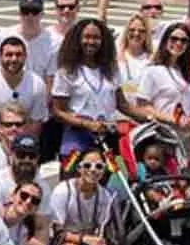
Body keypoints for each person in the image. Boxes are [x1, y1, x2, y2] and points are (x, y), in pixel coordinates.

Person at [50, 18, 142, 159]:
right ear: (77, 39)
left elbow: (123, 105)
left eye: (96, 38)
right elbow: (57, 111)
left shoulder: (111, 69)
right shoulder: (67, 71)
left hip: (107, 136)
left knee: (114, 172)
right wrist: (86, 124)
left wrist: (148, 118)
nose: (91, 41)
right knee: (75, 173)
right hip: (77, 138)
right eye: (86, 37)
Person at [49, 148, 131, 245]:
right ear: (79, 168)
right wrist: (83, 239)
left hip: (90, 241)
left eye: (99, 166)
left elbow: (103, 229)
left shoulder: (105, 195)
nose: (93, 170)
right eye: (87, 165)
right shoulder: (63, 191)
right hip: (65, 241)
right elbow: (56, 231)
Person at [135, 23, 190, 153]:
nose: (178, 43)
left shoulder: (189, 73)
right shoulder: (152, 71)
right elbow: (142, 106)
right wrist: (172, 119)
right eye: (174, 39)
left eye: (184, 40)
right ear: (165, 41)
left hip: (188, 139)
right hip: (162, 137)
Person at [0, 37, 49, 147]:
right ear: (0, 56)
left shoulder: (37, 84)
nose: (14, 59)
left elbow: (37, 121)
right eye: (9, 55)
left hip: (24, 142)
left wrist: (22, 144)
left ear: (25, 57)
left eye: (18, 55)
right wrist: (3, 140)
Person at [0, 132, 51, 209]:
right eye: (21, 155)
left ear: (38, 157)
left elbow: (43, 215)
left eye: (32, 156)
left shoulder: (43, 187)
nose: (26, 160)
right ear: (12, 154)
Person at [5, 0, 60, 85]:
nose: (30, 16)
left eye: (35, 11)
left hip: (38, 92)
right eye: (25, 11)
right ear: (19, 13)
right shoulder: (4, 36)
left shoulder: (54, 42)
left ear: (42, 14)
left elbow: (51, 78)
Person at [116, 13, 153, 96]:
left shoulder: (152, 60)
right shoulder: (116, 56)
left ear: (147, 34)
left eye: (141, 31)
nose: (136, 33)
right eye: (132, 30)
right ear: (126, 32)